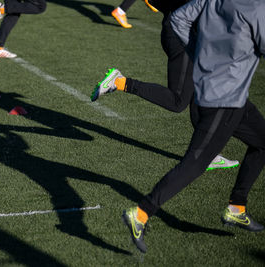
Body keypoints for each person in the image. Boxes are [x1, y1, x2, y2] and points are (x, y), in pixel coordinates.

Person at [120, 0, 265, 253]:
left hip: (220, 91)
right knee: (196, 163)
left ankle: (236, 207)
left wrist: (203, 58)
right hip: (225, 100)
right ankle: (141, 213)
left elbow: (178, 19)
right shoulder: (257, 8)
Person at [92, 0, 238, 171]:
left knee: (200, 94)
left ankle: (207, 153)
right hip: (182, 35)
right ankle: (120, 82)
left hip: (186, 34)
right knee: (177, 101)